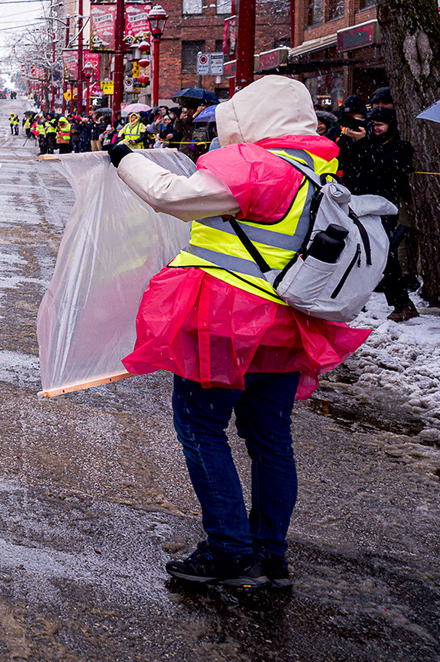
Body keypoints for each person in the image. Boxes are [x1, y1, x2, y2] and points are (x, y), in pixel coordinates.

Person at [109, 75, 371, 590]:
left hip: (226, 325)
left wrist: (124, 157)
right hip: (285, 329)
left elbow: (169, 196)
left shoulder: (257, 165)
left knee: (202, 428)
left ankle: (229, 549)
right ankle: (271, 553)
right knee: (271, 440)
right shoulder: (317, 171)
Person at [342, 108, 419, 321]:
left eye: (381, 124)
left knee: (381, 253)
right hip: (357, 202)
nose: (376, 128)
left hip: (384, 206)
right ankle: (352, 300)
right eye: (373, 123)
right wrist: (347, 138)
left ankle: (402, 302)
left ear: (391, 125)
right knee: (352, 249)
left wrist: (364, 143)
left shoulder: (401, 147)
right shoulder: (364, 142)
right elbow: (346, 161)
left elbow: (385, 165)